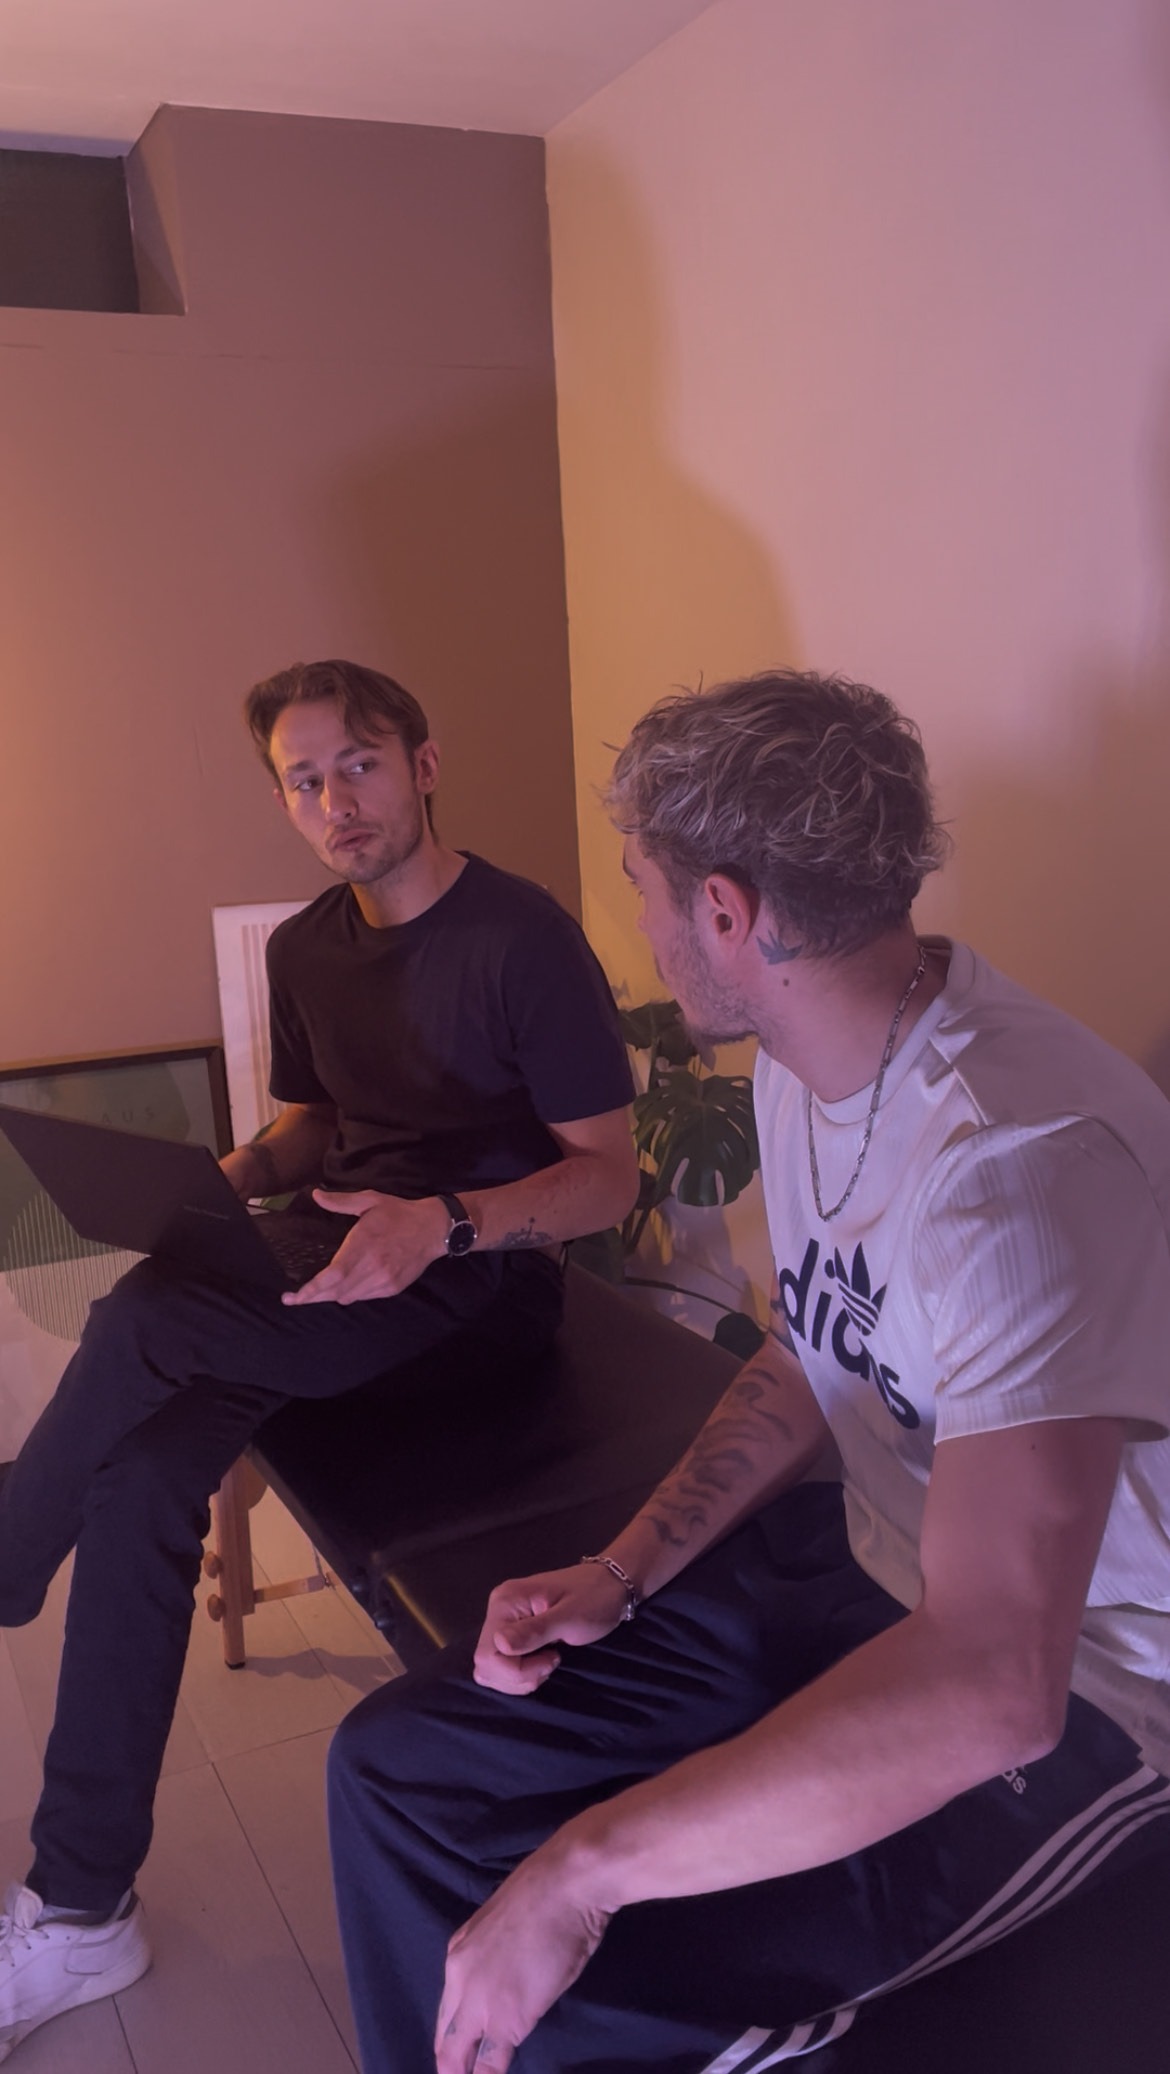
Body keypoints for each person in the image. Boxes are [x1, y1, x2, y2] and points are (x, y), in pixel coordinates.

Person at [327, 668, 1170, 2074]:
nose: (641, 931)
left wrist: (583, 1872)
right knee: (397, 1769)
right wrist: (623, 1569)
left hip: (1096, 1687)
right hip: (869, 1566)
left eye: (642, 892)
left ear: (725, 911)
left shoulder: (1015, 1171)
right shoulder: (800, 1058)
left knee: (616, 1984)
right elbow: (815, 1347)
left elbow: (992, 1683)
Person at [0, 659, 638, 2061]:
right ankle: (81, 1904)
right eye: (304, 780)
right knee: (144, 1472)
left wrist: (447, 1219)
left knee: (146, 1318)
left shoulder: (522, 938)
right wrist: (221, 1187)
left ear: (422, 763)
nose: (336, 800)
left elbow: (606, 1175)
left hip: (482, 1283)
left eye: (358, 763)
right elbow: (309, 1127)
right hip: (342, 1258)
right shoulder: (305, 950)